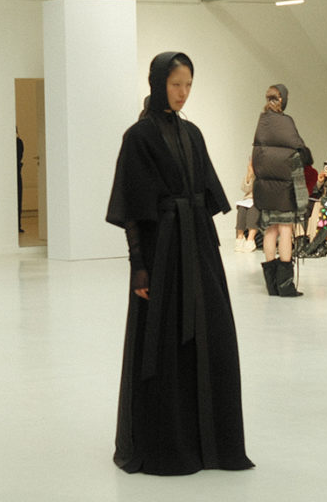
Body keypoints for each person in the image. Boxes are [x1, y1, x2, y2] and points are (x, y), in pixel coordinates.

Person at [107, 51, 251, 474]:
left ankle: (211, 444)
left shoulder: (193, 134)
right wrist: (139, 266)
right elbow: (133, 209)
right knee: (165, 344)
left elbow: (205, 195)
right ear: (157, 84)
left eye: (188, 85)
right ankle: (168, 445)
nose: (183, 93)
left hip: (198, 248)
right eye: (175, 85)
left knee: (212, 337)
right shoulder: (138, 137)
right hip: (162, 252)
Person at [251, 84, 307, 296]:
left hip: (266, 187)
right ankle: (285, 285)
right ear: (283, 99)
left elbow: (257, 154)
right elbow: (298, 148)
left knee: (270, 230)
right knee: (285, 230)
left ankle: (271, 285)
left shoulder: (262, 121)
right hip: (284, 187)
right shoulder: (286, 121)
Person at [234, 160, 258, 253]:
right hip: (249, 199)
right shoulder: (253, 174)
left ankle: (250, 239)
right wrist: (249, 174)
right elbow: (245, 189)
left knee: (253, 208)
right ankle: (240, 238)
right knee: (242, 208)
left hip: (261, 200)